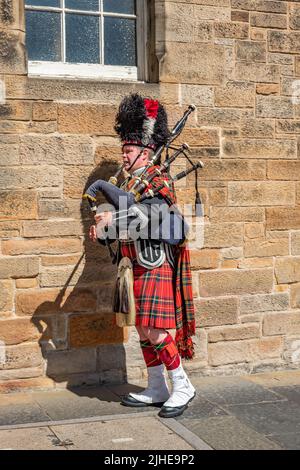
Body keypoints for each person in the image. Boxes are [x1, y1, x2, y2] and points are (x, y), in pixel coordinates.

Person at [87, 94, 196, 418]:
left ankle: (182, 385)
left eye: (129, 150)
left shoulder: (157, 179)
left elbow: (152, 217)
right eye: (123, 149)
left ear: (146, 152)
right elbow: (126, 222)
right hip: (132, 263)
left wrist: (113, 218)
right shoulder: (130, 182)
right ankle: (156, 387)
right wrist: (104, 231)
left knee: (157, 331)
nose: (124, 154)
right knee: (142, 329)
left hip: (154, 261)